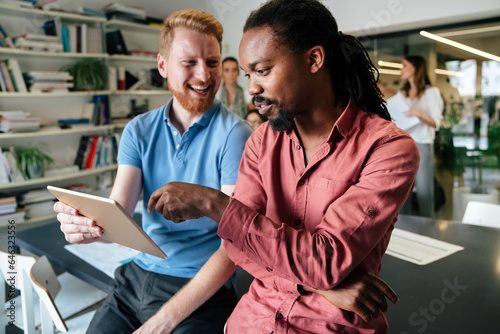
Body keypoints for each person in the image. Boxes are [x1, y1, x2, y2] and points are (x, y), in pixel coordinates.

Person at [146, 0, 419, 333]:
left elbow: (324, 261)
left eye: (262, 70)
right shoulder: (262, 141)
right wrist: (323, 287)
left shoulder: (388, 149)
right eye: (248, 75)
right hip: (252, 321)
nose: (252, 89)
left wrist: (212, 204)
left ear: (314, 59)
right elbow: (237, 248)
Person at [53, 9, 254, 333]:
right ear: (162, 65)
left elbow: (234, 246)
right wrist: (86, 228)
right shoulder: (138, 130)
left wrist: (164, 320)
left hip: (200, 287)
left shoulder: (236, 134)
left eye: (212, 62)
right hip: (135, 278)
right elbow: (119, 215)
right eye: (189, 62)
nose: (204, 75)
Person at [390, 55, 443, 217]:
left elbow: (436, 122)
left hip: (422, 144)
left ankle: (428, 228)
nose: (401, 69)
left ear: (415, 68)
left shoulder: (431, 92)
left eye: (405, 65)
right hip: (402, 144)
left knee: (424, 192)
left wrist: (418, 114)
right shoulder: (402, 93)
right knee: (402, 190)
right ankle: (405, 228)